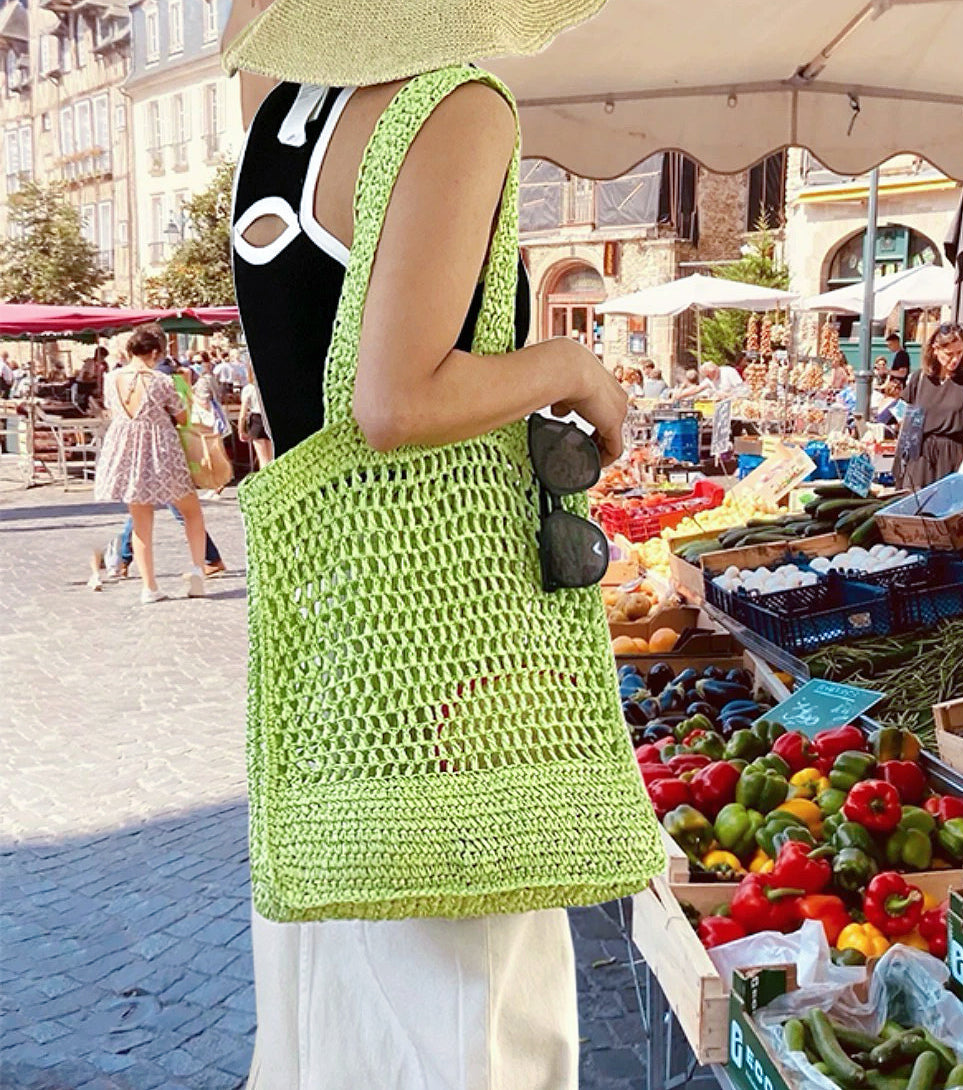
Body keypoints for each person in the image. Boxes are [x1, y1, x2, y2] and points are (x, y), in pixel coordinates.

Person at [222, 4, 664, 1086]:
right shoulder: (454, 107)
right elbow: (394, 399)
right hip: (447, 659)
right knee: (474, 1023)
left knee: (335, 1020)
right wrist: (572, 370)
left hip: (334, 665)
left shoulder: (279, 115)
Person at [93, 324, 209, 603]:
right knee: (191, 511)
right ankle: (197, 569)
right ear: (155, 352)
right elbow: (183, 418)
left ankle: (149, 587)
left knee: (141, 521)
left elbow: (111, 408)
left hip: (126, 452)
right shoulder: (161, 381)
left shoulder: (112, 378)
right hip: (160, 451)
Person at [895, 323, 963, 489]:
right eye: (949, 354)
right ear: (935, 349)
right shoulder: (919, 379)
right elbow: (905, 420)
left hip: (953, 455)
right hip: (920, 457)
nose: (955, 359)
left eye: (959, 353)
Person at [238, 364, 273, 468]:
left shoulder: (249, 389)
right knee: (272, 457)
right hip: (268, 419)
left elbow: (243, 413)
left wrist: (241, 430)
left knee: (262, 458)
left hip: (257, 420)